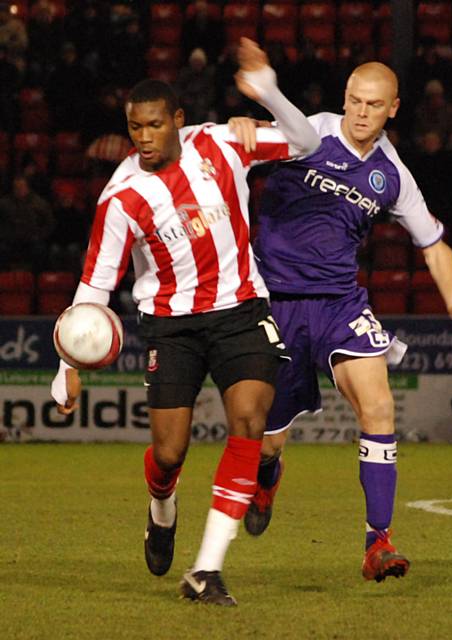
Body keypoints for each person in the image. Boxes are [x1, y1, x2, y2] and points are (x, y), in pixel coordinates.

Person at [50, 38, 320, 607]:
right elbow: (95, 286)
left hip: (241, 311)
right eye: (133, 128)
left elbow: (307, 140)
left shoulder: (223, 143)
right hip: (170, 325)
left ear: (178, 119)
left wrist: (267, 91)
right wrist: (67, 362)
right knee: (170, 453)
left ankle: (206, 570)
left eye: (153, 124)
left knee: (248, 422)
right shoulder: (121, 196)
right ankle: (161, 508)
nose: (143, 137)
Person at [231, 61, 452, 583]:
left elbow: (433, 245)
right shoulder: (308, 132)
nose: (359, 113)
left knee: (379, 404)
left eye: (373, 104)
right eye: (353, 100)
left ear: (393, 109)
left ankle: (378, 542)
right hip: (275, 302)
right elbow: (237, 146)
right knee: (269, 439)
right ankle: (266, 474)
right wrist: (240, 128)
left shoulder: (392, 175)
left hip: (340, 304)